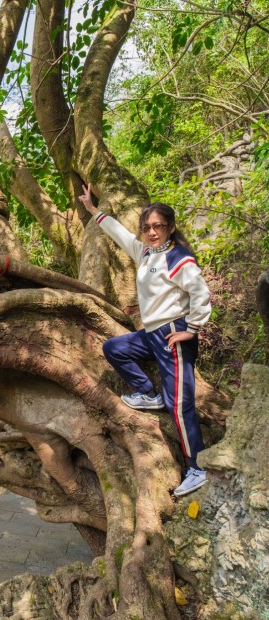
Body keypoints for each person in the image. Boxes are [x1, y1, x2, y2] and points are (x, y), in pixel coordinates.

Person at [78, 184, 212, 497]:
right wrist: (95, 211)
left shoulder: (179, 258)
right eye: (147, 227)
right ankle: (148, 393)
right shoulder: (150, 253)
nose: (152, 232)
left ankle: (197, 468)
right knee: (114, 348)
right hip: (152, 334)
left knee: (180, 405)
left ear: (170, 227)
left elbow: (200, 293)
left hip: (172, 336)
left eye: (158, 226)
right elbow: (122, 237)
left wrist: (191, 328)